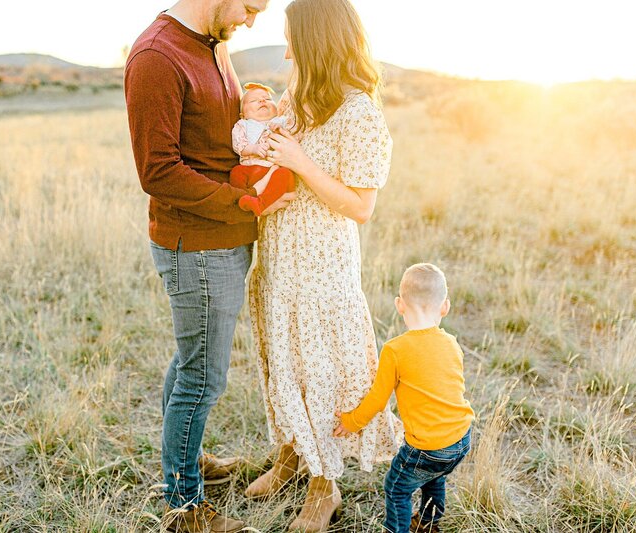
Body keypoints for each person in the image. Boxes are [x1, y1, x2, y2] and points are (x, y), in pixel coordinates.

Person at [124, 1, 293, 531]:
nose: (252, 18)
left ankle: (186, 462)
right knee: (203, 378)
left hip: (224, 238)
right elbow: (158, 171)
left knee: (192, 361)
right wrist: (241, 203)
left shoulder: (214, 45)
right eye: (250, 5)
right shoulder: (157, 56)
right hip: (196, 247)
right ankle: (185, 506)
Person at [246, 0, 400, 530]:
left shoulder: (359, 112)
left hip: (321, 270)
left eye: (292, 39)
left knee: (320, 371)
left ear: (315, 43)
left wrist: (299, 163)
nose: (286, 50)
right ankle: (292, 455)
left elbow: (361, 206)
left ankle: (323, 484)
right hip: (279, 260)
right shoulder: (300, 98)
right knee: (283, 363)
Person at [333, 263, 475, 533]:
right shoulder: (451, 343)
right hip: (461, 437)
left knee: (396, 487)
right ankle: (428, 523)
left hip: (427, 445)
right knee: (435, 475)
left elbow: (377, 399)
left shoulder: (395, 350)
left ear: (400, 305)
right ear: (445, 307)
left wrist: (351, 422)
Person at [230, 83, 296, 215]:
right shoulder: (243, 125)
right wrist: (253, 149)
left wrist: (281, 129)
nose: (262, 100)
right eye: (254, 100)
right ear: (243, 114)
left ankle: (261, 203)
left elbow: (293, 136)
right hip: (250, 169)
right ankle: (240, 200)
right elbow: (239, 146)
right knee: (236, 172)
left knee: (285, 174)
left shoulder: (280, 122)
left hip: (273, 171)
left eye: (268, 99)